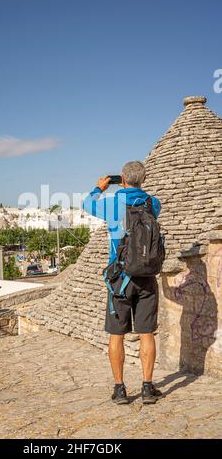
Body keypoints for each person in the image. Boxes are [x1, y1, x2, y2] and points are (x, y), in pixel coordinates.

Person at [82, 161, 163, 404]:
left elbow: (87, 204)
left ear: (123, 180)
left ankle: (120, 389)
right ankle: (147, 387)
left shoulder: (112, 203)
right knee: (147, 333)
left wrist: (100, 188)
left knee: (116, 335)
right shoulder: (153, 204)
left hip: (120, 280)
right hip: (147, 278)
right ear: (143, 180)